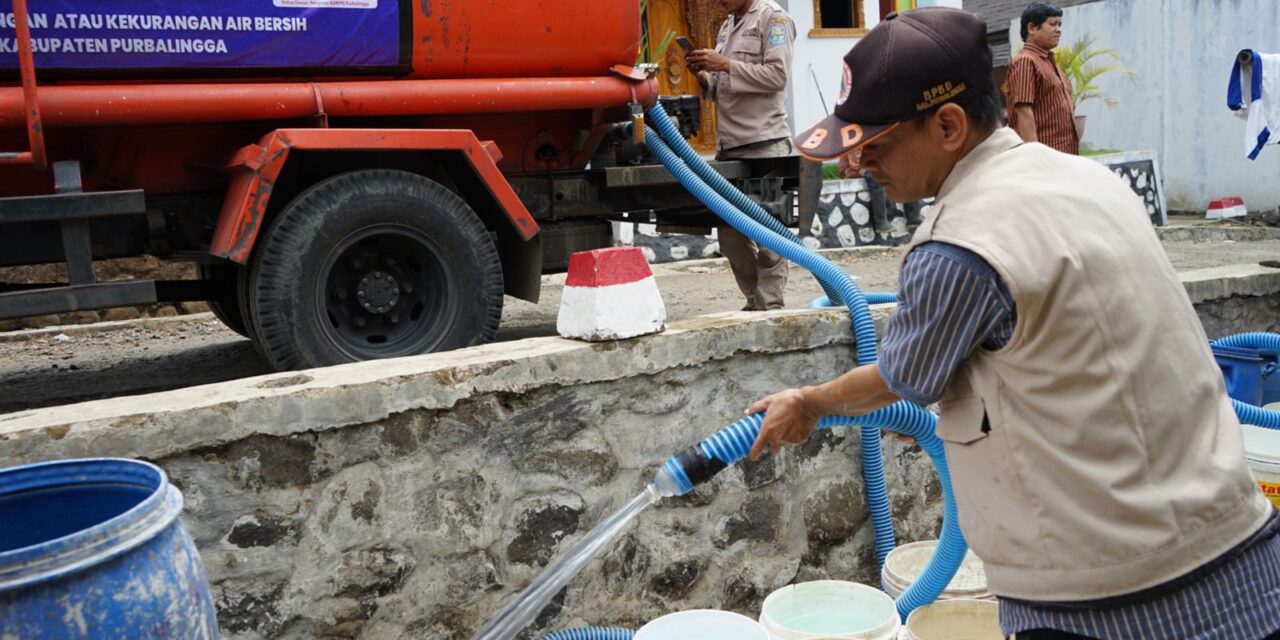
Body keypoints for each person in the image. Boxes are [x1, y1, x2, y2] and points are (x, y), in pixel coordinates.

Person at [754, 7, 1280, 639]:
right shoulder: (1089, 180)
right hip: (1245, 561)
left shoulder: (957, 244)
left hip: (1108, 602)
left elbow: (901, 379)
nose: (857, 164)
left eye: (875, 143)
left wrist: (808, 403)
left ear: (949, 125)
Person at [686, 0, 795, 311]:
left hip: (764, 141)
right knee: (729, 234)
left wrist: (725, 64)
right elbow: (720, 89)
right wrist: (704, 75)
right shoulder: (728, 25)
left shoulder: (774, 19)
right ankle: (754, 298)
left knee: (769, 232)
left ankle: (770, 304)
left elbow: (777, 77)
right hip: (730, 145)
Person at [1007, 3, 1079, 154]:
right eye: (1052, 24)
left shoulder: (1052, 64)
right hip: (1044, 160)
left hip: (1062, 156)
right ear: (1032, 28)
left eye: (1060, 24)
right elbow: (1023, 110)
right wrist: (1035, 157)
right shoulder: (1026, 61)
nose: (1058, 30)